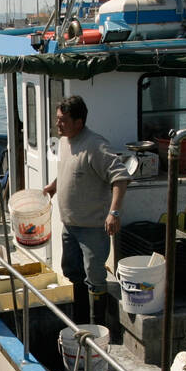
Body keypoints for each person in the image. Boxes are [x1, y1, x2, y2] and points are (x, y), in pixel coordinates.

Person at [41, 95, 127, 333]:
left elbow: (120, 177)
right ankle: (79, 324)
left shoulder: (95, 145)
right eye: (57, 119)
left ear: (79, 121)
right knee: (73, 272)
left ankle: (98, 328)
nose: (58, 125)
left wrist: (114, 212)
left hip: (92, 228)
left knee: (95, 277)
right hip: (69, 226)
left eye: (63, 120)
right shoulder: (66, 142)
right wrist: (53, 186)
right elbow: (72, 171)